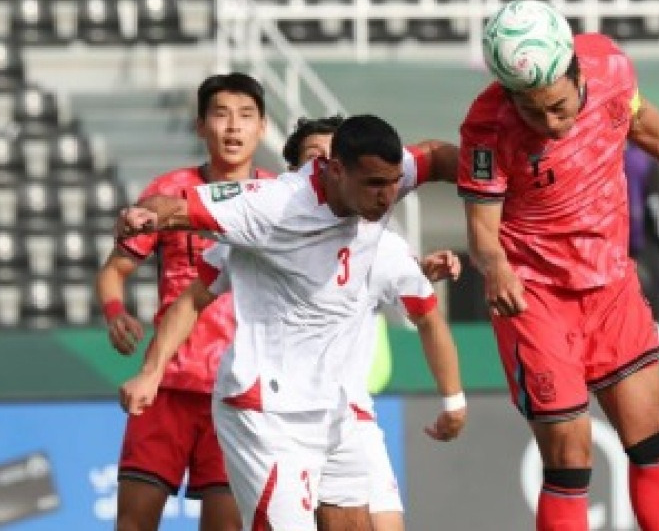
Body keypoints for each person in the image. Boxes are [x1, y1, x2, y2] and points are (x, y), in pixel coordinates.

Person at [116, 115, 448, 531]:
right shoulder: (269, 212)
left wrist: (500, 177)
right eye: (315, 156)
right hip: (268, 409)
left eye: (392, 183)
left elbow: (437, 158)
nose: (387, 196)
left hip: (343, 408)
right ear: (324, 169)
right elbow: (181, 234)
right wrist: (145, 216)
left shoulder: (375, 212)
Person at [459, 0, 659, 531]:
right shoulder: (486, 126)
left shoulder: (613, 66)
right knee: (570, 457)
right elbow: (483, 232)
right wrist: (495, 266)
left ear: (577, 72)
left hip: (612, 286)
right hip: (535, 295)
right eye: (531, 111)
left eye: (558, 106)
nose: (549, 124)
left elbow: (639, 118)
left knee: (653, 436)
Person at [95, 72, 273, 531]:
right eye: (221, 114)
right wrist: (116, 312)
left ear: (263, 128)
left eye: (245, 116)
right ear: (200, 126)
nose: (233, 127)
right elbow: (114, 271)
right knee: (132, 523)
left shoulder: (278, 198)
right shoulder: (170, 193)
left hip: (239, 390)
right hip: (167, 385)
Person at [282, 114, 467, 531]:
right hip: (281, 419)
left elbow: (425, 315)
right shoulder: (269, 236)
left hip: (351, 416)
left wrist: (416, 269)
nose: (326, 166)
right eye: (316, 159)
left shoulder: (379, 245)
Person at [625, 143, 659, 320]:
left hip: (616, 240)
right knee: (657, 290)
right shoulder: (645, 161)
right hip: (645, 239)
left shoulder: (610, 156)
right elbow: (656, 204)